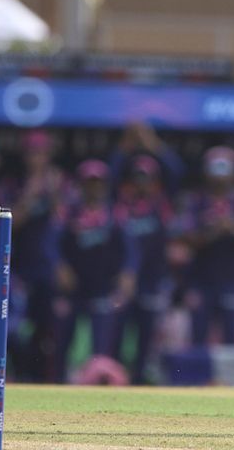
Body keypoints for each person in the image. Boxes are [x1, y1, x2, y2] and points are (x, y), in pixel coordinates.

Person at [54, 159, 137, 382]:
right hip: (73, 289)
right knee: (63, 342)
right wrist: (59, 265)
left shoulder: (115, 213)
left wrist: (129, 273)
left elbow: (130, 249)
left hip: (103, 287)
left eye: (98, 183)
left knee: (101, 345)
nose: (94, 187)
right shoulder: (68, 213)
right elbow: (50, 244)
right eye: (89, 183)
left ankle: (99, 387)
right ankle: (58, 384)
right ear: (81, 185)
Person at [178, 146, 234, 346]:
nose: (220, 176)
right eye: (215, 169)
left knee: (232, 338)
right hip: (201, 280)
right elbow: (187, 238)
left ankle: (229, 379)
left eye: (224, 169)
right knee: (197, 337)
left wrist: (231, 227)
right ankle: (195, 378)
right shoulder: (196, 201)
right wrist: (214, 231)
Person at [112, 154, 177, 384]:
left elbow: (176, 172)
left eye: (147, 177)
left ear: (154, 180)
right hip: (125, 280)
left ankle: (139, 379)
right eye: (138, 177)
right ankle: (115, 379)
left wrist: (153, 146)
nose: (142, 182)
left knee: (146, 337)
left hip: (153, 281)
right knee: (117, 334)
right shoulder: (122, 206)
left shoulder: (162, 205)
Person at [13, 130, 69, 382]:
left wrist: (54, 193)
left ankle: (44, 379)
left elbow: (65, 223)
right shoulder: (15, 183)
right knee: (18, 328)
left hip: (48, 267)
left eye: (42, 152)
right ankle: (20, 376)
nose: (37, 157)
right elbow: (9, 225)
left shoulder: (58, 182)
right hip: (19, 268)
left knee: (48, 331)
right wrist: (30, 193)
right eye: (33, 152)